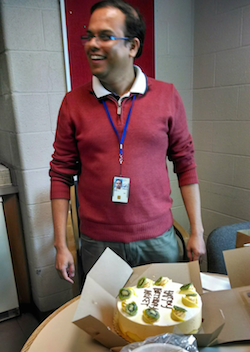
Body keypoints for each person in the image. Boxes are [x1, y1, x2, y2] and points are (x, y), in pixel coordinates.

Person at [50, 0, 206, 284]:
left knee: (160, 321)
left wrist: (197, 230)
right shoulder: (73, 103)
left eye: (105, 36)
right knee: (105, 323)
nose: (92, 44)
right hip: (99, 244)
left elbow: (185, 164)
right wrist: (61, 245)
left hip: (158, 240)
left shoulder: (167, 96)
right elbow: (61, 174)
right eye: (89, 35)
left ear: (133, 46)